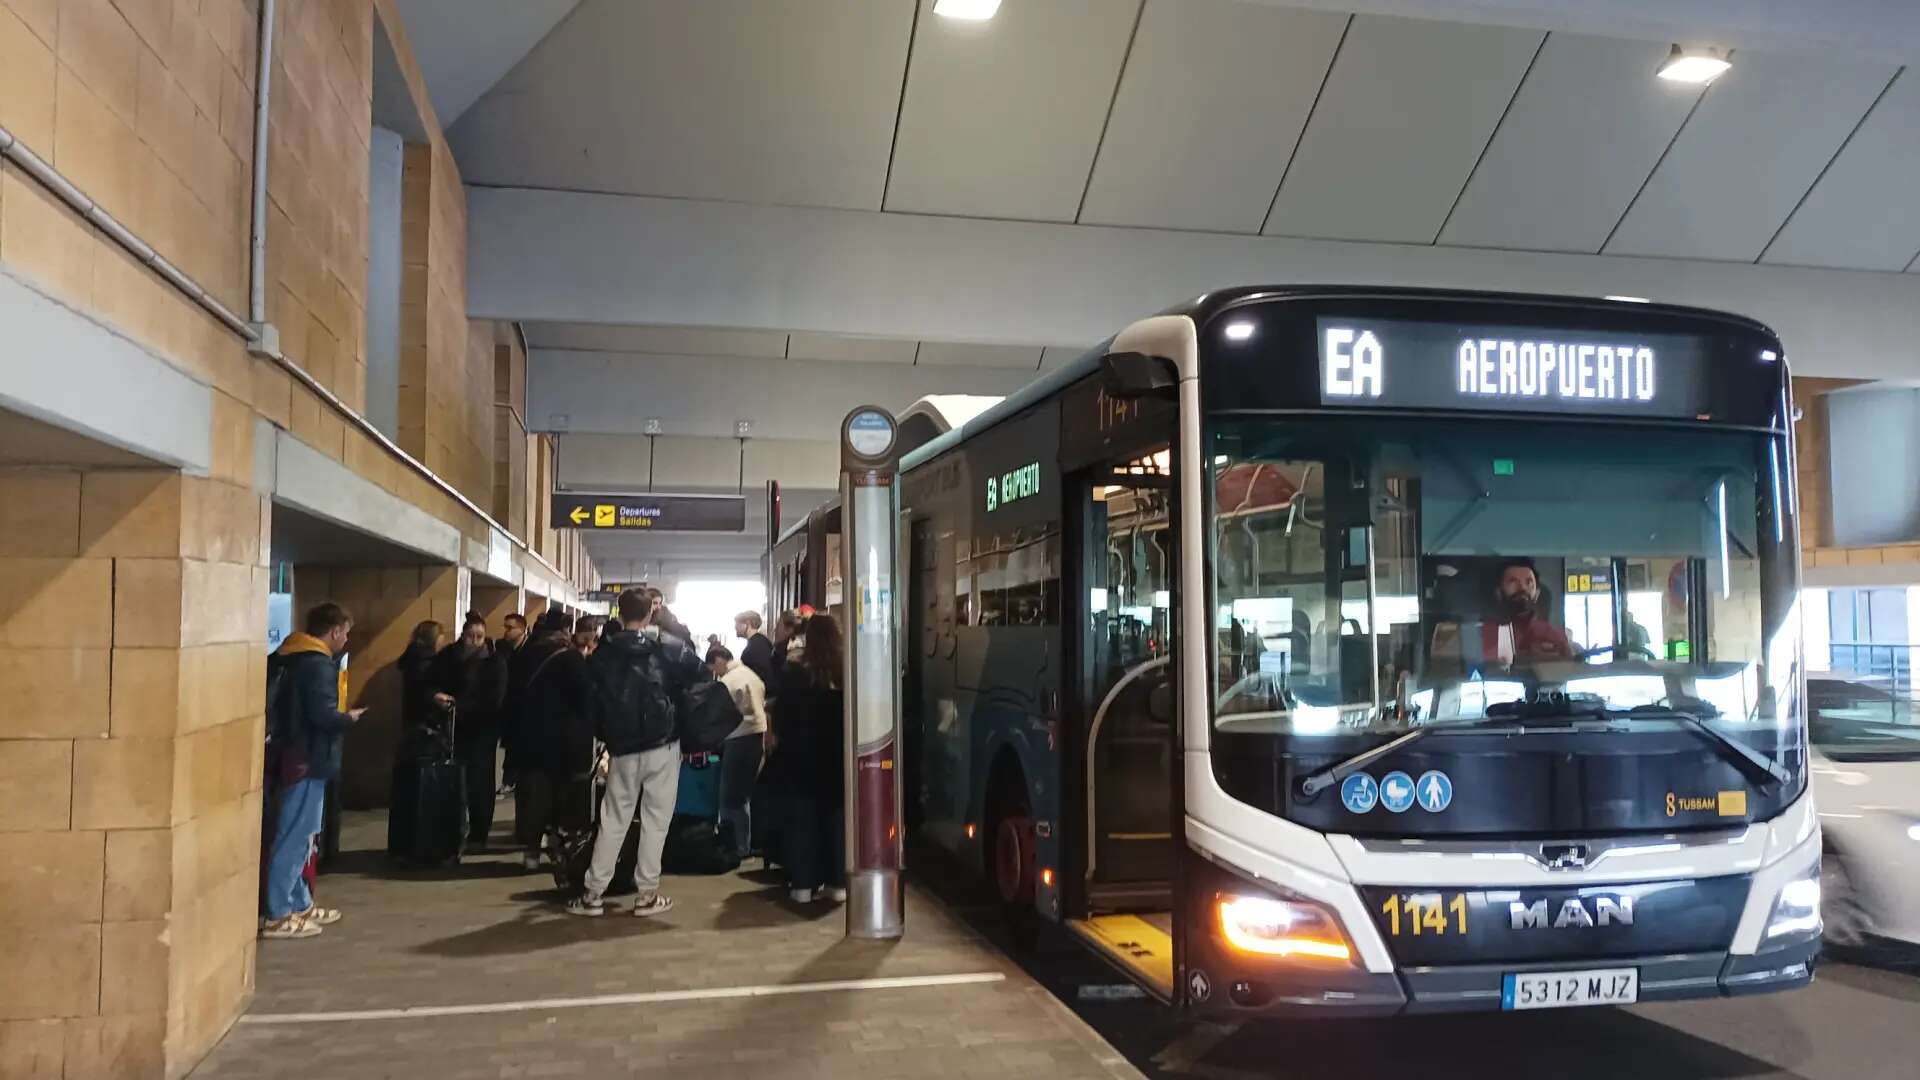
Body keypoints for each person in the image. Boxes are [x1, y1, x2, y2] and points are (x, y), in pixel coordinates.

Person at [566, 589, 703, 918]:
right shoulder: (666, 649)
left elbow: (587, 702)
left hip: (623, 747)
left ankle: (593, 894)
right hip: (664, 744)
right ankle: (647, 894)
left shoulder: (602, 655)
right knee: (656, 821)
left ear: (618, 612)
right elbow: (699, 674)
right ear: (651, 613)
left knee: (613, 819)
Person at [261, 603, 365, 939]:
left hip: (291, 755)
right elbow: (321, 715)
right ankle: (278, 913)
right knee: (296, 835)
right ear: (334, 631)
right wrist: (347, 719)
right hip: (308, 759)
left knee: (301, 835)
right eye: (345, 632)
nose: (346, 639)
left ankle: (298, 901)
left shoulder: (288, 655)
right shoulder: (318, 664)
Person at [771, 612, 846, 904]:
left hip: (800, 755)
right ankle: (837, 882)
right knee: (836, 817)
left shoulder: (796, 671)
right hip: (837, 756)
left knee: (802, 820)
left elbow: (783, 714)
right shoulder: (846, 671)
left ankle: (802, 884)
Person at [513, 610, 592, 870]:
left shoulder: (525, 654)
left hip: (529, 735)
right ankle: (558, 849)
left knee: (534, 795)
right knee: (560, 796)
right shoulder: (571, 658)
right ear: (566, 630)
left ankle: (531, 852)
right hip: (563, 739)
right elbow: (584, 700)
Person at [432, 615, 507, 852]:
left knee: (480, 783)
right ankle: (451, 830)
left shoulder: (495, 662)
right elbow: (432, 683)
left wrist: (460, 706)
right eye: (470, 636)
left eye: (479, 637)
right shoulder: (447, 657)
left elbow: (495, 698)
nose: (474, 641)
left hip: (481, 730)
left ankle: (478, 833)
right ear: (462, 636)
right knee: (453, 781)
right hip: (451, 729)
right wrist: (437, 697)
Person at [707, 645, 769, 858]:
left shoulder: (728, 682)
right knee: (744, 795)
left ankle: (736, 845)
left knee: (729, 796)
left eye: (714, 666)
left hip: (738, 739)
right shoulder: (751, 675)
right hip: (757, 737)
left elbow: (719, 714)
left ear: (719, 660)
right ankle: (745, 843)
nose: (715, 672)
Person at [1485, 558, 1577, 664]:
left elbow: (1566, 664)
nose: (1522, 588)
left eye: (1529, 583)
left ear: (1537, 594)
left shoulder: (1550, 633)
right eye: (1513, 582)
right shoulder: (1484, 632)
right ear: (1499, 592)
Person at [396, 620, 448, 759]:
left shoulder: (412, 658)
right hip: (426, 724)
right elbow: (424, 690)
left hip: (412, 722)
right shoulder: (428, 662)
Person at [736, 611, 776, 688]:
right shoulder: (761, 641)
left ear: (747, 623)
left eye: (737, 624)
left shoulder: (754, 647)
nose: (735, 627)